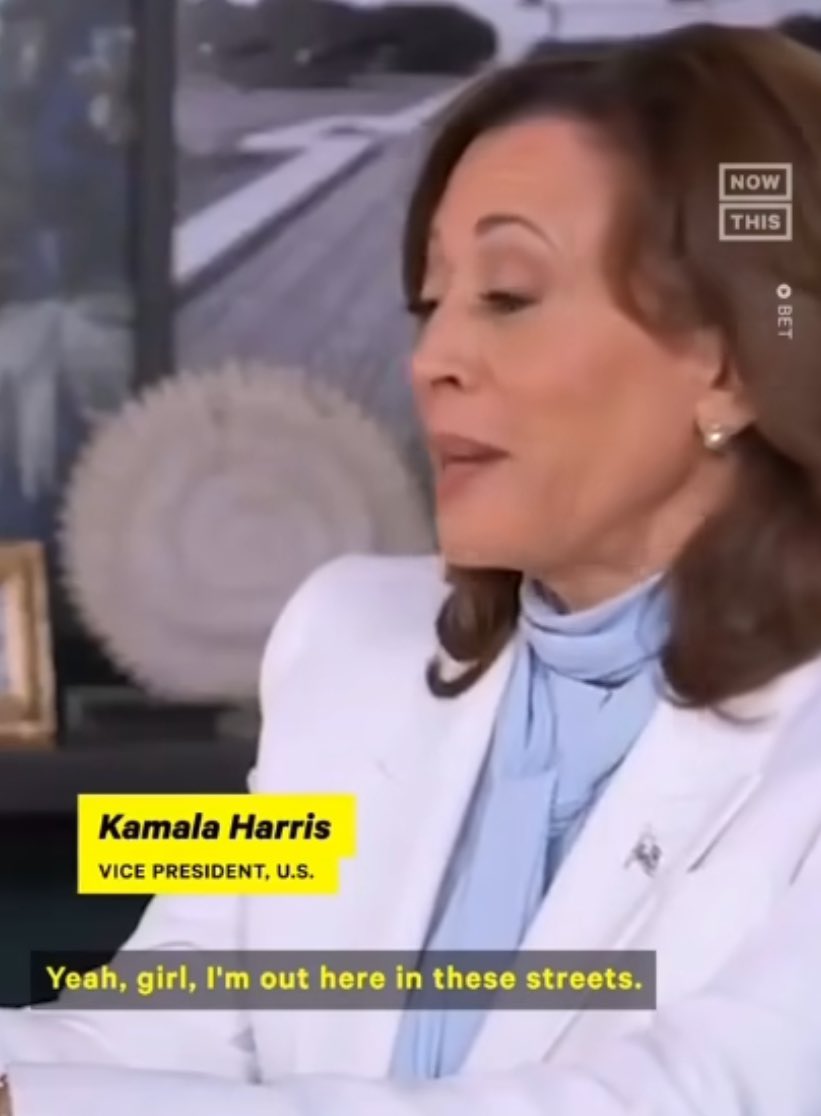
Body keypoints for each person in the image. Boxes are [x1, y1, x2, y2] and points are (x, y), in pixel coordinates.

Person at [2, 19, 821, 1116]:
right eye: (430, 301)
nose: (431, 358)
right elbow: (180, 1006)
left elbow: (684, 1099)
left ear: (729, 366)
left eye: (508, 296)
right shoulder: (340, 636)